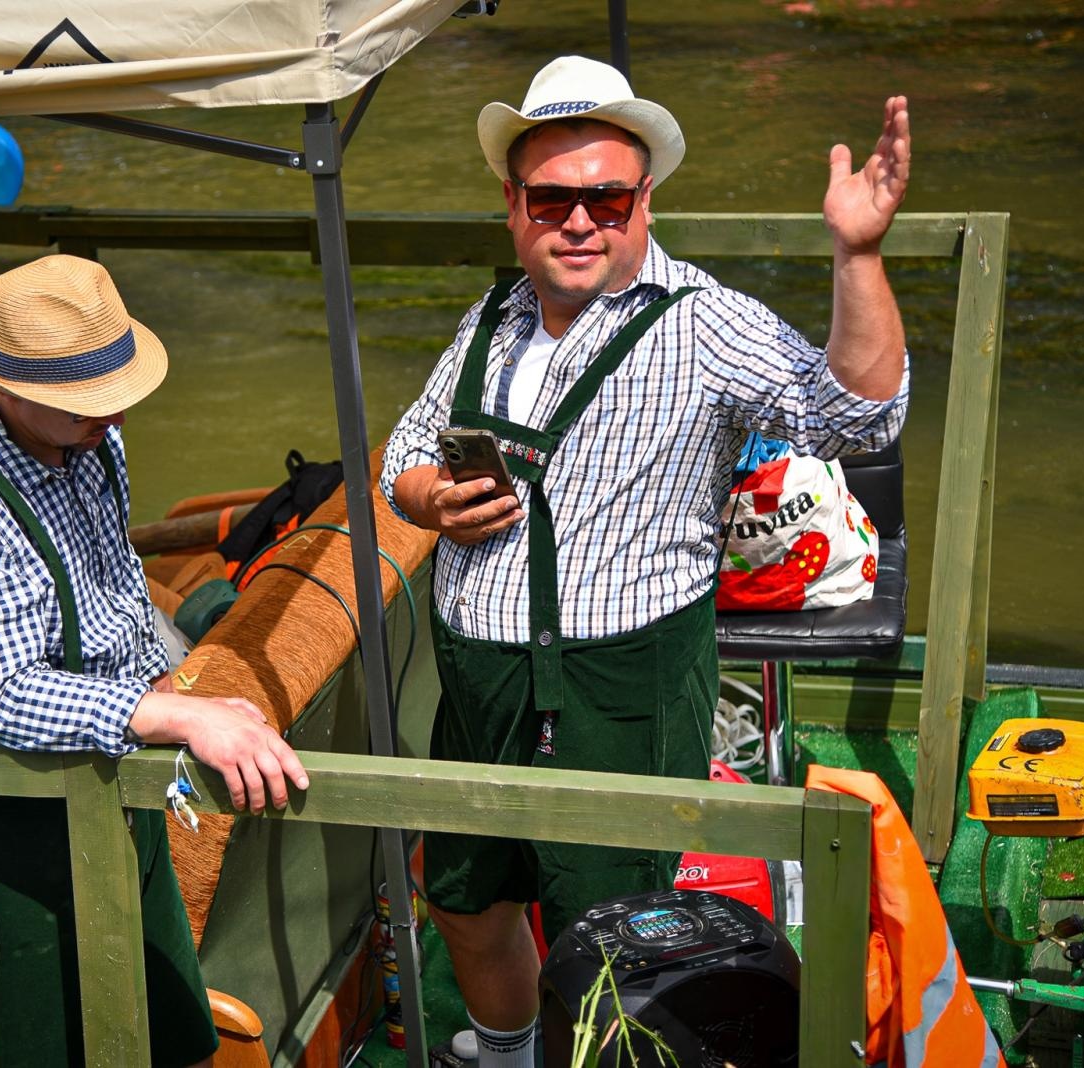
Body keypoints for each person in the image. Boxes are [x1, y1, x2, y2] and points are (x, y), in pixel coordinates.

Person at [380, 55, 911, 1067]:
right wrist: (427, 499)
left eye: (607, 198)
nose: (579, 221)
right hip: (479, 683)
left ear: (645, 200)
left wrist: (857, 255)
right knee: (466, 896)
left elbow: (855, 415)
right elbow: (405, 448)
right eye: (552, 198)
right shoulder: (491, 317)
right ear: (513, 206)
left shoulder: (703, 322)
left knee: (611, 928)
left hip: (619, 691)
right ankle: (509, 1052)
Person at [0, 253, 309, 1068]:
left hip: (112, 777)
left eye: (115, 393)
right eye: (85, 401)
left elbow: (118, 590)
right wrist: (177, 716)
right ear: (8, 386)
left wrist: (177, 692)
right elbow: (5, 698)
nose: (112, 414)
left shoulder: (91, 436)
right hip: (6, 820)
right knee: (41, 1045)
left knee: (169, 1034)